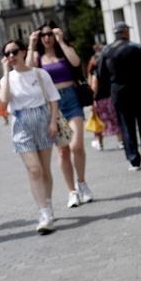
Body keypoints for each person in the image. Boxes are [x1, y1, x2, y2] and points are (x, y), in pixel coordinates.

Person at [0, 39, 62, 234]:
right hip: (21, 124)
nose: (11, 56)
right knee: (34, 170)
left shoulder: (40, 74)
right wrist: (5, 72)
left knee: (44, 169)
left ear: (23, 52)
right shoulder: (7, 79)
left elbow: (53, 99)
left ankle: (48, 204)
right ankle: (43, 213)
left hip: (43, 120)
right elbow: (4, 100)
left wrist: (53, 122)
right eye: (7, 53)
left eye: (14, 52)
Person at [32, 24, 93, 207]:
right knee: (63, 150)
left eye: (50, 34)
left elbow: (75, 62)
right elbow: (28, 69)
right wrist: (31, 45)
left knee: (77, 146)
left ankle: (82, 182)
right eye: (43, 35)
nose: (47, 38)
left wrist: (61, 40)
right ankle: (72, 191)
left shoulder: (64, 51)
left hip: (72, 98)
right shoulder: (38, 58)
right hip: (53, 105)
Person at [98, 23, 141, 171]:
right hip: (138, 90)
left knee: (126, 125)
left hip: (118, 91)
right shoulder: (136, 47)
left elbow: (101, 74)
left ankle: (133, 159)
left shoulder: (106, 51)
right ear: (125, 32)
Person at [88, 43, 120, 151]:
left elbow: (94, 86)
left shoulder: (95, 73)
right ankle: (121, 141)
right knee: (115, 120)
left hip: (100, 101)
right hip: (110, 98)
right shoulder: (109, 70)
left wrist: (92, 100)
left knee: (99, 123)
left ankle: (99, 143)